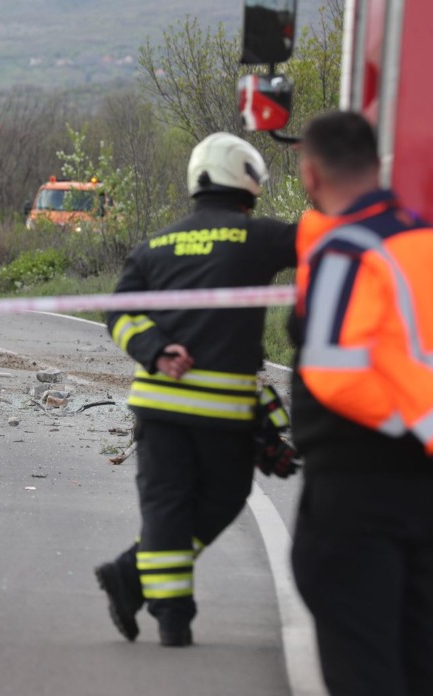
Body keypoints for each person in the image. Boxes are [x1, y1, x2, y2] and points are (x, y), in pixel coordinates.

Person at [94, 133, 296, 647]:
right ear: (247, 182)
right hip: (222, 414)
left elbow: (117, 312)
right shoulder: (260, 238)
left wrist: (155, 349)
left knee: (167, 506)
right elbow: (322, 239)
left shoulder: (155, 245)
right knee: (224, 497)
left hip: (160, 405)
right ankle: (170, 615)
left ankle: (136, 578)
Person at [289, 111, 433, 696]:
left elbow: (333, 375)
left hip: (358, 486)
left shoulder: (345, 251)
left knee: (363, 659)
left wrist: (414, 422)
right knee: (420, 649)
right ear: (379, 168)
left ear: (310, 175)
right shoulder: (425, 239)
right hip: (427, 484)